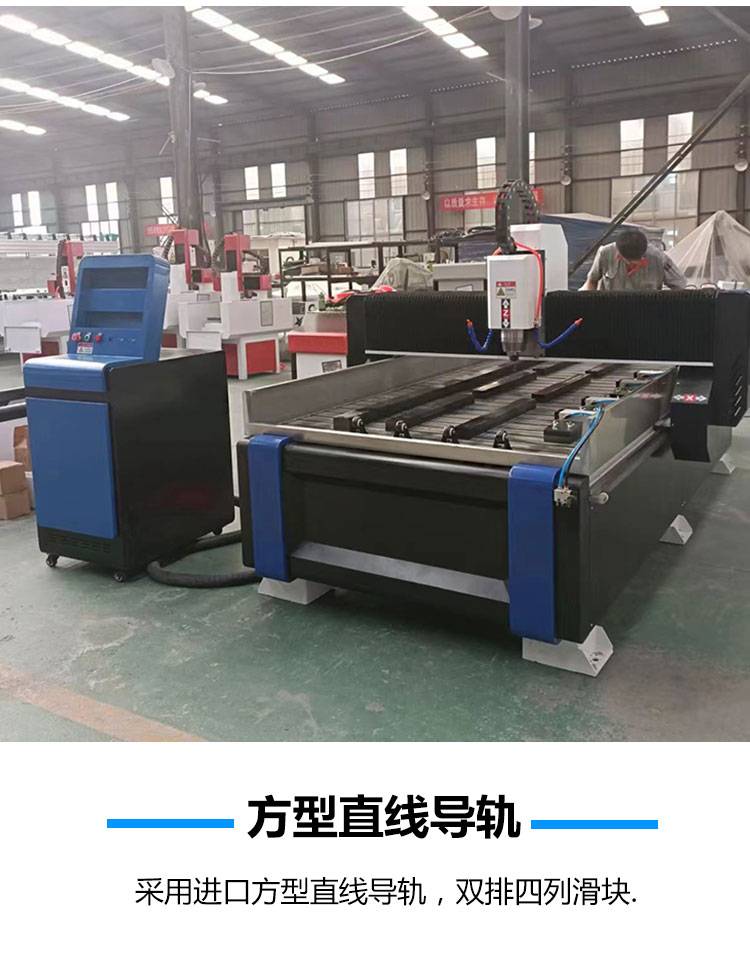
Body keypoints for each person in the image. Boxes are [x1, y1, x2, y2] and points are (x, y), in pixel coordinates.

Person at [581, 228, 687, 291]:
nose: (634, 268)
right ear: (619, 256)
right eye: (632, 264)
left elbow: (680, 285)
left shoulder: (659, 259)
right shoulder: (605, 254)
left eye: (639, 264)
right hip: (611, 311)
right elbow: (592, 281)